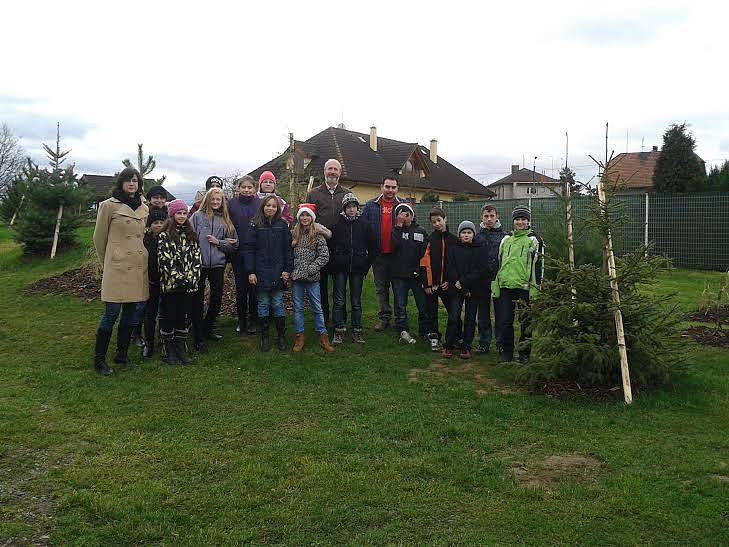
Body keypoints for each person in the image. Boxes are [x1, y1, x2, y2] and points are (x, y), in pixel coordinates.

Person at [92, 167, 149, 375]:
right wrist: (107, 261)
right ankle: (99, 361)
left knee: (130, 315)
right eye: (128, 180)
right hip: (116, 267)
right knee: (111, 314)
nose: (132, 184)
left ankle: (121, 355)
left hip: (136, 267)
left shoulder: (144, 208)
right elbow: (99, 239)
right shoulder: (108, 206)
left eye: (135, 181)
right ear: (121, 183)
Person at [492, 206, 544, 363]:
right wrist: (496, 285)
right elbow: (498, 263)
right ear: (513, 221)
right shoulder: (506, 239)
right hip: (505, 287)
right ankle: (506, 353)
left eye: (523, 219)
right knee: (505, 321)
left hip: (525, 288)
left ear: (528, 221)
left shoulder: (534, 240)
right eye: (517, 219)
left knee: (525, 322)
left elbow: (539, 266)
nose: (520, 222)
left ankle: (524, 354)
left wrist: (536, 289)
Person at [190, 187, 239, 352]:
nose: (216, 202)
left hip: (217, 264)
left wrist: (219, 242)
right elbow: (188, 238)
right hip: (199, 265)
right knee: (197, 301)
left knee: (216, 299)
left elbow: (235, 244)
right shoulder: (197, 217)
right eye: (213, 199)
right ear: (208, 199)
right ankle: (198, 337)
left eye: (219, 200)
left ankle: (207, 328)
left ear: (222, 201)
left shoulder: (225, 220)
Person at [245, 195, 293, 352]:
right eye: (268, 205)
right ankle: (264, 336)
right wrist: (251, 271)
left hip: (278, 270)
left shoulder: (282, 225)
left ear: (277, 208)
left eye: (273, 206)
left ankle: (281, 336)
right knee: (263, 303)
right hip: (260, 270)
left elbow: (287, 249)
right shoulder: (254, 225)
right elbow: (249, 249)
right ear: (262, 207)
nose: (270, 208)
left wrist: (287, 269)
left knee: (278, 303)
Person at [157, 200, 202, 365]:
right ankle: (168, 349)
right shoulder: (164, 236)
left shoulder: (192, 234)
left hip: (188, 285)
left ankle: (180, 347)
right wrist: (179, 278)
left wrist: (192, 277)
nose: (182, 216)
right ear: (172, 215)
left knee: (182, 316)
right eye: (179, 213)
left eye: (184, 213)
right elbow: (165, 261)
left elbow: (197, 258)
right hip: (171, 285)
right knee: (169, 316)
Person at [329, 192, 376, 344]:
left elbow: (374, 247)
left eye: (354, 206)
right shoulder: (337, 224)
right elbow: (329, 246)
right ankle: (339, 329)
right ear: (344, 208)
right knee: (339, 300)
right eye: (348, 207)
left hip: (357, 267)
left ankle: (357, 329)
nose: (351, 209)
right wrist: (334, 263)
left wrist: (365, 265)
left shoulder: (364, 225)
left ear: (357, 207)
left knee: (356, 301)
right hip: (340, 268)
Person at [305, 158, 348, 324]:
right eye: (329, 168)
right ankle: (323, 319)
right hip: (319, 246)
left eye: (335, 169)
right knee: (320, 286)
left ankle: (340, 320)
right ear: (324, 171)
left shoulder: (345, 194)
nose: (332, 172)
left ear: (339, 173)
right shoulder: (314, 193)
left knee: (339, 286)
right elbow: (306, 219)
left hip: (340, 247)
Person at [442, 221, 491, 360]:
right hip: (456, 288)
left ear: (473, 234)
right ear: (459, 234)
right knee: (453, 317)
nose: (466, 235)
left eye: (469, 232)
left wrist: (464, 283)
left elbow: (481, 269)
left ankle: (466, 347)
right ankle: (449, 345)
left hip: (473, 289)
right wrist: (457, 283)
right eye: (463, 232)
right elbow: (449, 267)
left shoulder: (480, 248)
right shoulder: (453, 248)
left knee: (470, 318)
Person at [361, 174, 404, 331]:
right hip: (378, 255)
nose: (390, 190)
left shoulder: (404, 205)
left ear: (397, 189)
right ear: (381, 187)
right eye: (387, 187)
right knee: (381, 288)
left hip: (398, 255)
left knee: (399, 288)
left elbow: (412, 226)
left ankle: (401, 320)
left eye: (393, 187)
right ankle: (384, 318)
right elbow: (363, 228)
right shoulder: (371, 205)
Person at [290, 204, 334, 353]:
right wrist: (292, 269)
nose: (305, 218)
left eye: (307, 215)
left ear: (312, 218)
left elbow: (324, 256)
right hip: (296, 277)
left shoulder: (318, 235)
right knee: (298, 308)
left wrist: (311, 269)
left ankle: (323, 336)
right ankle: (299, 336)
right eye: (302, 215)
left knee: (317, 307)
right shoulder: (294, 234)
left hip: (312, 277)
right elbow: (288, 253)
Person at [390, 202, 430, 344]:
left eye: (407, 214)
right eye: (401, 214)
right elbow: (396, 245)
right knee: (400, 304)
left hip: (416, 275)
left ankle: (424, 331)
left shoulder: (421, 231)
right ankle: (403, 331)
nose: (405, 217)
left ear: (412, 215)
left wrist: (420, 271)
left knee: (422, 304)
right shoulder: (395, 230)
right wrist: (399, 227)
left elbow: (425, 253)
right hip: (399, 274)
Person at [420, 207, 458, 352]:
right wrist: (427, 284)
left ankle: (454, 338)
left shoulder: (454, 240)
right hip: (432, 285)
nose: (437, 224)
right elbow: (424, 263)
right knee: (432, 313)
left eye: (439, 220)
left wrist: (451, 280)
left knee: (453, 314)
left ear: (445, 219)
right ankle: (434, 338)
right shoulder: (429, 240)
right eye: (433, 222)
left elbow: (457, 264)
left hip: (448, 284)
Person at [228, 175, 260, 335]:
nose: (246, 190)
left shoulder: (259, 203)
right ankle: (242, 320)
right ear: (238, 188)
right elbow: (225, 223)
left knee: (254, 288)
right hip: (238, 252)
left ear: (254, 189)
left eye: (250, 187)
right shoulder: (231, 204)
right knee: (241, 288)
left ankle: (254, 320)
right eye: (243, 187)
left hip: (255, 252)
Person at [475, 204, 506, 354]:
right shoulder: (477, 237)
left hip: (498, 281)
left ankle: (501, 343)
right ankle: (484, 342)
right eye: (486, 216)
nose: (489, 219)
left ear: (497, 216)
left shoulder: (504, 237)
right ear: (481, 218)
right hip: (481, 281)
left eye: (492, 216)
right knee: (483, 314)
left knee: (501, 314)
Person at [141, 208, 167, 359]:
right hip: (151, 281)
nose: (158, 225)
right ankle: (148, 342)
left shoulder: (170, 237)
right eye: (155, 223)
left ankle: (164, 340)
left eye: (161, 222)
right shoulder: (145, 239)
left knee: (165, 313)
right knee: (150, 314)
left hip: (167, 282)